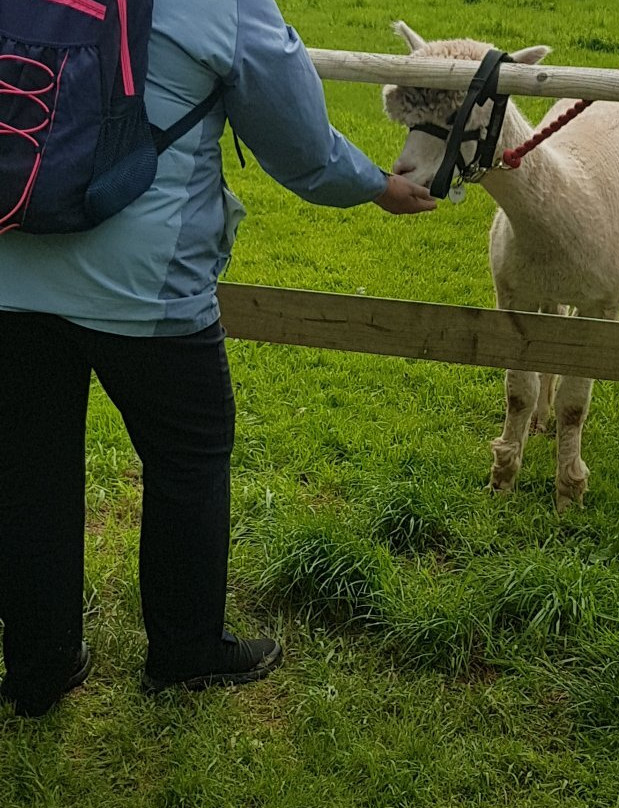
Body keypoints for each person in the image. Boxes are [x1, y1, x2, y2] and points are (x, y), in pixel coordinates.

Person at [0, 0, 435, 718]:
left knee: (27, 469)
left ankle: (39, 665)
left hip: (12, 265)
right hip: (144, 283)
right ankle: (186, 651)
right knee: (189, 457)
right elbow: (298, 141)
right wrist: (374, 185)